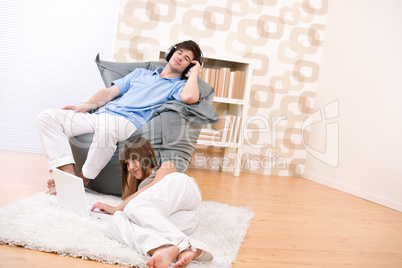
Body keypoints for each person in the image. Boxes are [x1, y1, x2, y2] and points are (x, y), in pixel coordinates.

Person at [36, 40, 203, 195]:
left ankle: (83, 179)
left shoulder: (179, 86)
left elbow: (190, 98)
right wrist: (87, 105)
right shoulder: (140, 74)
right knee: (47, 117)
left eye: (187, 58)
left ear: (189, 66)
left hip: (127, 122)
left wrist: (194, 73)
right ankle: (68, 177)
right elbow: (110, 92)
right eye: (179, 52)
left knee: (107, 130)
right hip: (101, 115)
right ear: (171, 53)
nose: (180, 57)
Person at [91, 137, 213, 268]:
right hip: (185, 218)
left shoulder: (165, 167)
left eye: (134, 159)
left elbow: (149, 189)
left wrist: (117, 208)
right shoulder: (138, 187)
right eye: (127, 163)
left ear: (148, 154)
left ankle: (185, 246)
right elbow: (128, 197)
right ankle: (162, 248)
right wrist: (133, 171)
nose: (130, 167)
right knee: (116, 222)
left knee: (130, 208)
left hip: (185, 192)